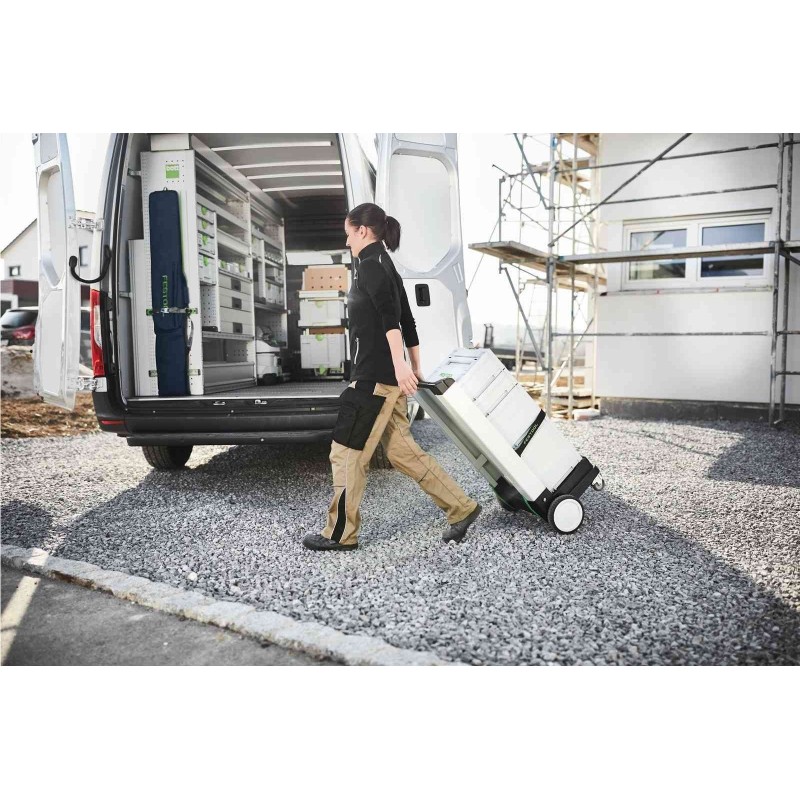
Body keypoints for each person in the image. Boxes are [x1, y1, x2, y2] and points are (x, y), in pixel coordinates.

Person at [302, 203, 481, 552]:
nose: (347, 241)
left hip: (374, 380)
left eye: (349, 234)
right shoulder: (386, 264)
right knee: (402, 452)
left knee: (346, 454)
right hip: (389, 381)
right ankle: (462, 508)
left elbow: (391, 320)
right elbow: (408, 321)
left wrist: (402, 367)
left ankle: (340, 535)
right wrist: (414, 367)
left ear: (363, 231)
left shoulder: (371, 266)